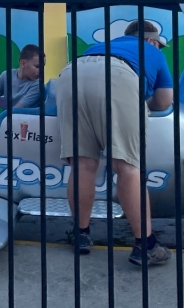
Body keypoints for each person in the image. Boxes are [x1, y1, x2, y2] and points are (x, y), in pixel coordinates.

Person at [55, 19, 173, 265]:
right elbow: (164, 101)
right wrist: (138, 107)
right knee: (127, 165)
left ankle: (81, 235)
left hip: (71, 73)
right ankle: (146, 244)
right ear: (151, 40)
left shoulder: (101, 45)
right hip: (118, 76)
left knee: (82, 164)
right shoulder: (151, 51)